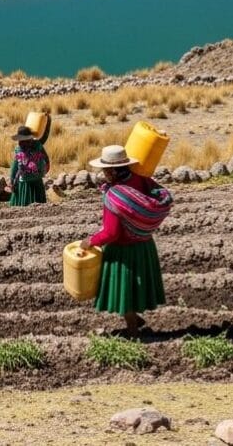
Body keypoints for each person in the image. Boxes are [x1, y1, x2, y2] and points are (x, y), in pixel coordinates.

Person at [82, 144, 171, 337]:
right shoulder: (141, 179)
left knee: (124, 291)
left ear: (112, 171)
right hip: (145, 245)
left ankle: (132, 331)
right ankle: (135, 321)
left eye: (105, 170)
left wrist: (91, 241)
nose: (104, 174)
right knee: (132, 289)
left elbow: (111, 232)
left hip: (123, 251)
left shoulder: (115, 195)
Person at [9, 115, 51, 206]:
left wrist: (48, 121)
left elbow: (45, 135)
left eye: (24, 139)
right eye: (21, 140)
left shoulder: (37, 145)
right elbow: (15, 166)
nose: (22, 142)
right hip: (26, 181)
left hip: (34, 180)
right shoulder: (19, 149)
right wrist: (12, 181)